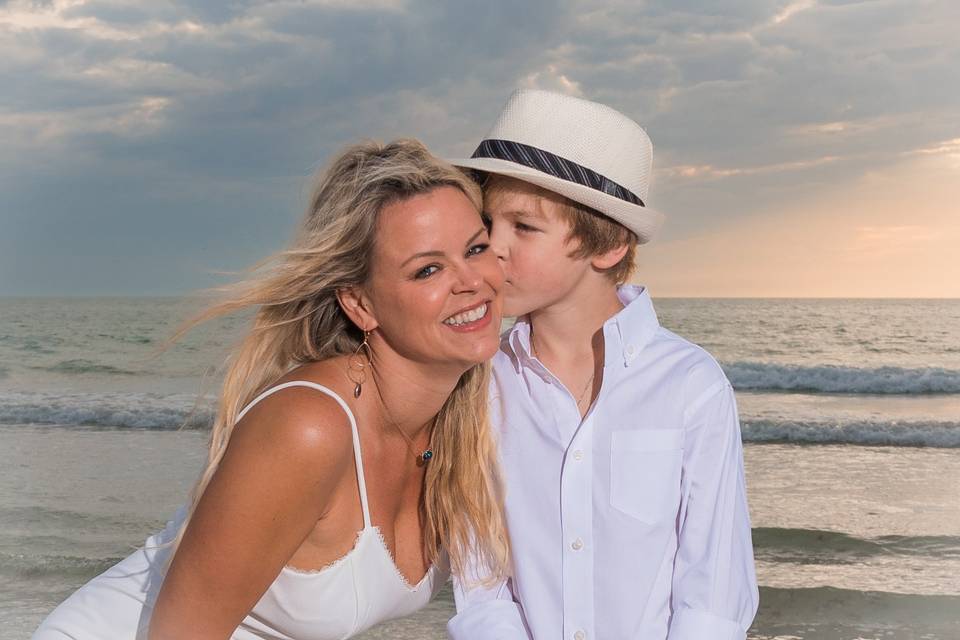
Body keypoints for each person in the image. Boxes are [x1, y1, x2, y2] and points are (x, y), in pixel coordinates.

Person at [32, 139, 510, 640]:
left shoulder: (465, 417)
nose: (471, 281)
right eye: (427, 269)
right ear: (360, 304)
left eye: (476, 248)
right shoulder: (309, 426)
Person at [447, 89, 759, 639]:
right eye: (487, 224)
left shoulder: (690, 386)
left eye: (524, 227)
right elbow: (480, 582)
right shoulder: (480, 385)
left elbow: (714, 590)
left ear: (608, 243)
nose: (493, 248)